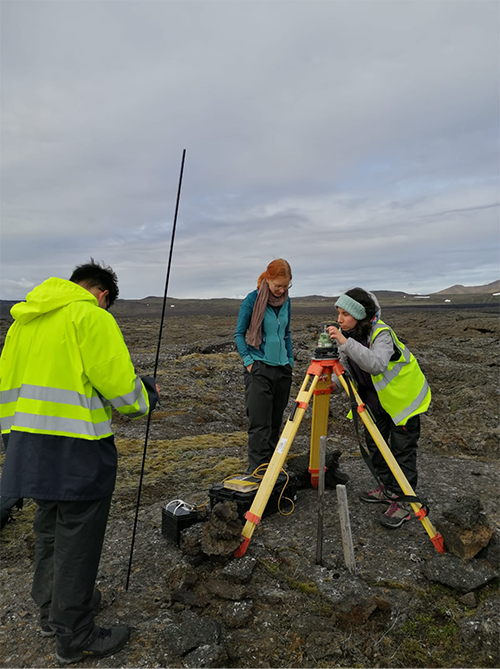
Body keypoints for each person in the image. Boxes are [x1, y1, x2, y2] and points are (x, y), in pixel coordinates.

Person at [0, 259, 159, 664]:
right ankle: (75, 634)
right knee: (77, 538)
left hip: (24, 445)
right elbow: (122, 391)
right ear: (102, 294)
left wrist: (11, 443)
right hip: (77, 450)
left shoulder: (24, 321)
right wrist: (146, 397)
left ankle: (51, 611)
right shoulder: (92, 318)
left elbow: (7, 385)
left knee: (50, 526)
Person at [327, 287, 431, 529]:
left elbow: (376, 364)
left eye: (345, 314)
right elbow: (346, 364)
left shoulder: (381, 333)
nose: (339, 319)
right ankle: (387, 489)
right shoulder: (350, 334)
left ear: (360, 315)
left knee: (402, 451)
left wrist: (344, 342)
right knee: (376, 446)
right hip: (375, 403)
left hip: (402, 402)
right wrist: (333, 384)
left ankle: (404, 502)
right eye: (338, 313)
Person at [235, 259, 294, 474]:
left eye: (286, 286)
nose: (281, 290)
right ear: (267, 280)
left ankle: (273, 471)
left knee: (275, 423)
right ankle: (258, 472)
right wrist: (249, 362)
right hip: (259, 368)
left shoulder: (286, 301)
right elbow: (239, 334)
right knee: (260, 425)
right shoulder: (252, 300)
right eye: (278, 285)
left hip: (282, 369)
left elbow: (286, 333)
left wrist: (290, 361)